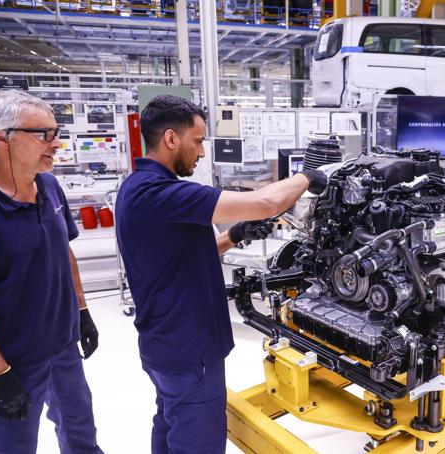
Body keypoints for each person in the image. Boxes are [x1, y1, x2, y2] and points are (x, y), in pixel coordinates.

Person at [115, 95, 328, 453]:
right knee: (197, 441)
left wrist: (235, 235)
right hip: (189, 352)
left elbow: (180, 255)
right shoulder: (161, 193)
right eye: (197, 141)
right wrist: (307, 176)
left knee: (169, 423)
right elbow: (266, 203)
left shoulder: (134, 188)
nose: (201, 153)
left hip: (165, 346)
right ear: (171, 139)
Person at [0, 90, 102, 453]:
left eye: (57, 131)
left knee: (81, 434)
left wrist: (82, 311)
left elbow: (62, 250)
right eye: (43, 134)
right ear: (1, 137)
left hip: (62, 345)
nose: (56, 143)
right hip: (12, 361)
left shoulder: (49, 186)